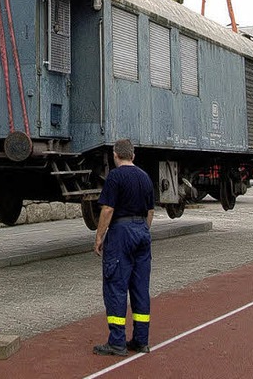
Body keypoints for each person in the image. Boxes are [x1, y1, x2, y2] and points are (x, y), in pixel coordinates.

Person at [93, 138, 154, 357]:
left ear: (115, 155)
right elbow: (150, 211)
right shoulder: (145, 177)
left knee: (116, 286)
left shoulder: (115, 177)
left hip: (121, 233)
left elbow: (108, 209)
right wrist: (143, 231)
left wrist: (99, 237)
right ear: (133, 156)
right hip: (142, 232)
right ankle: (141, 340)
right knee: (140, 288)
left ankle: (117, 342)